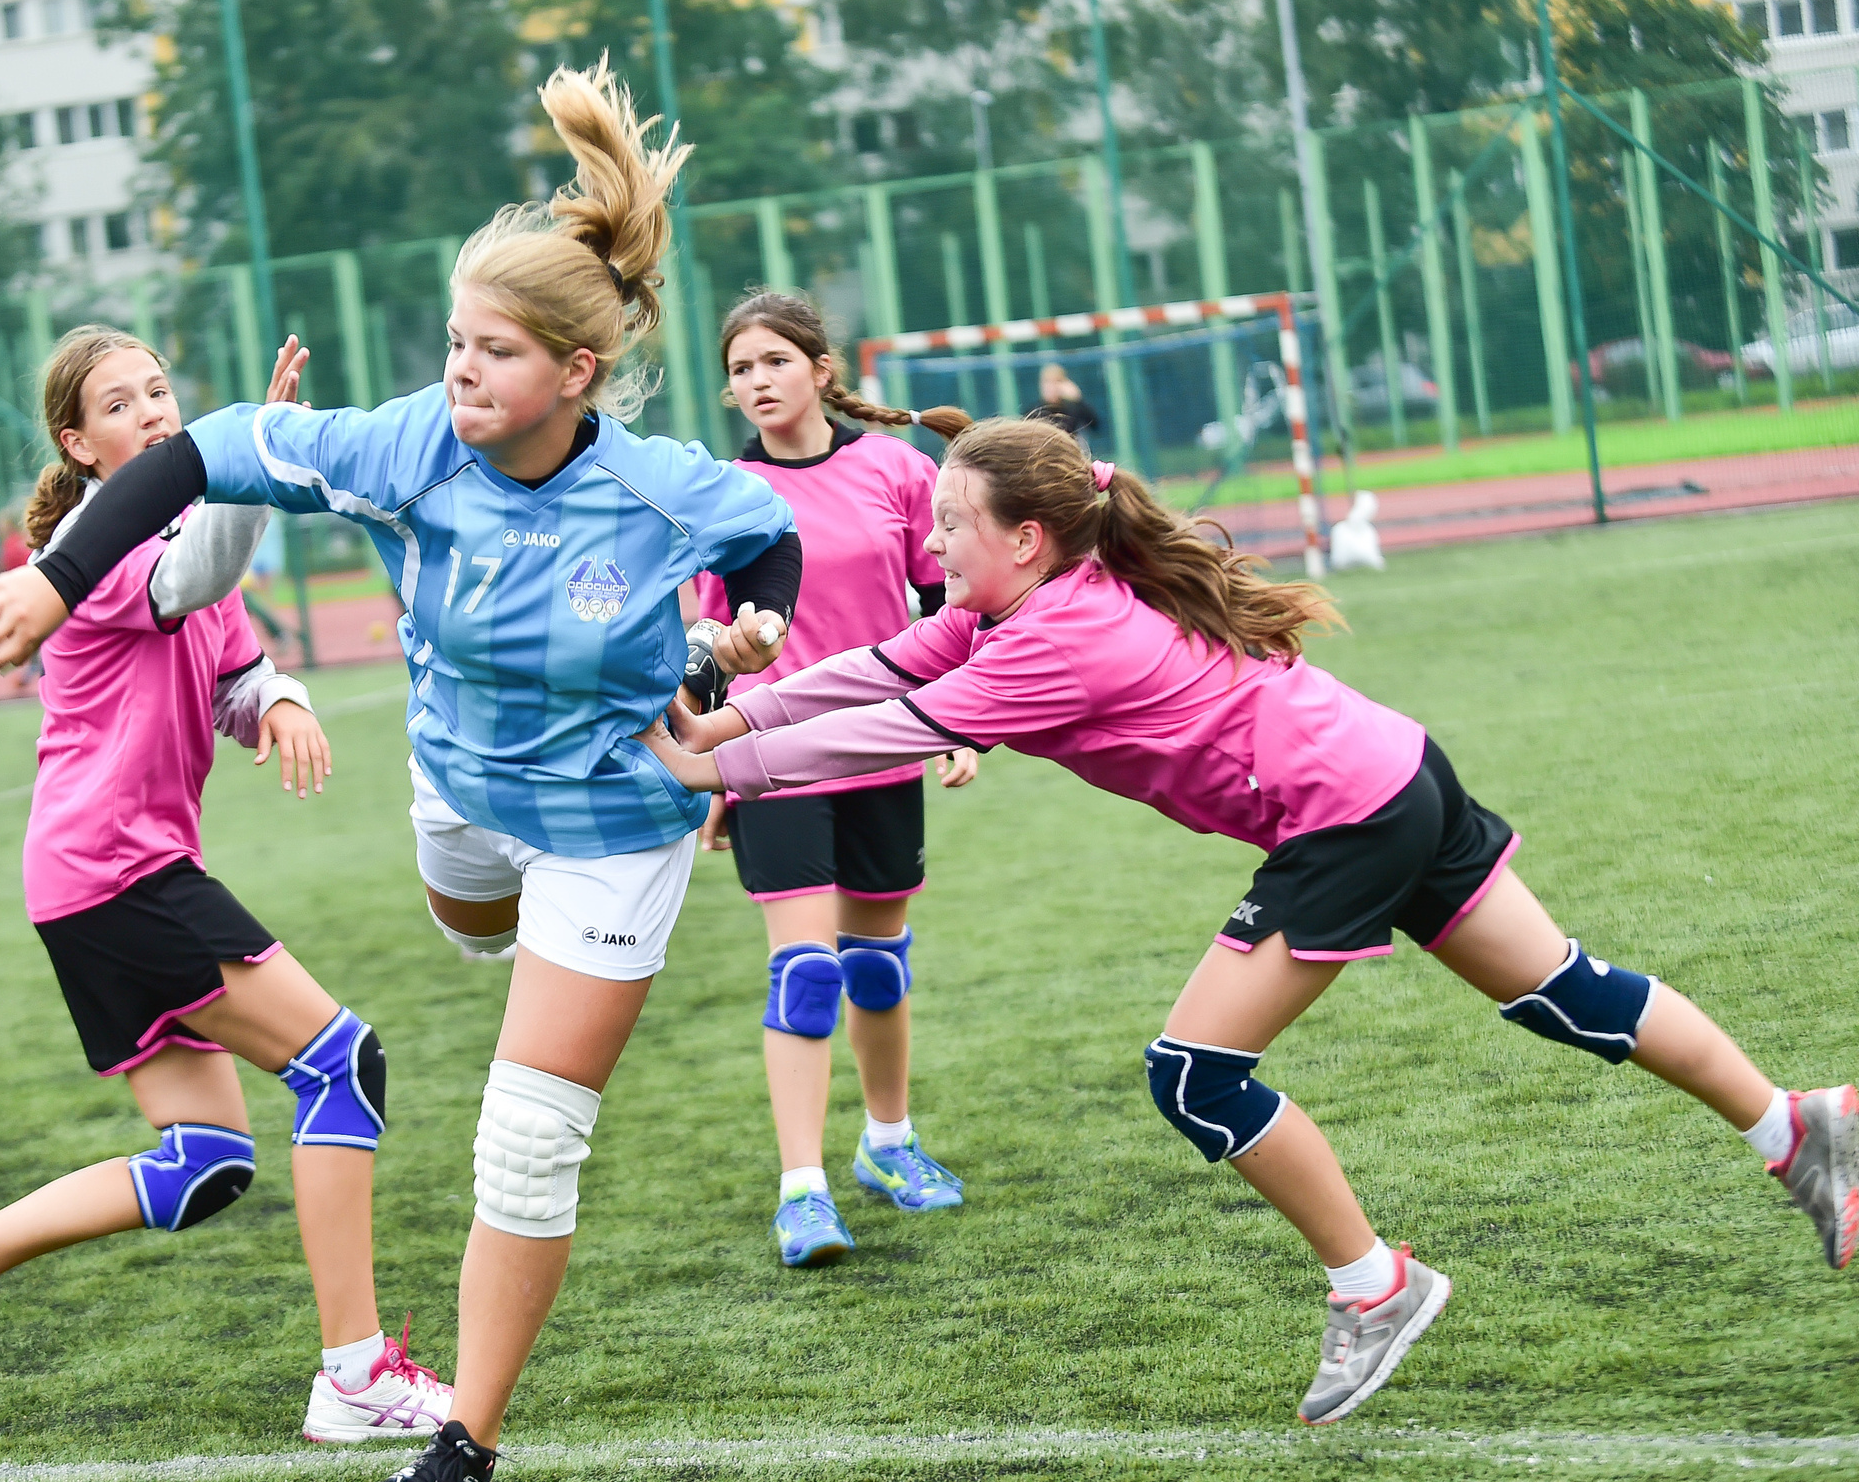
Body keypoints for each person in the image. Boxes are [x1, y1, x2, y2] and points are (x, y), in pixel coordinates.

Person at [0, 60, 802, 1482]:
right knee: (469, 928)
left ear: (575, 375)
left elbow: (769, 536)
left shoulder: (662, 486)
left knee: (526, 1139)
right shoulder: (408, 444)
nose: (459, 372)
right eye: (455, 341)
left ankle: (459, 1448)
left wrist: (747, 640)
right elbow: (200, 452)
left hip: (611, 819)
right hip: (457, 796)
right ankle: (500, 926)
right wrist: (56, 577)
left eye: (494, 354)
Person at [645, 418, 1859, 1427]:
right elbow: (877, 670)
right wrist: (731, 721)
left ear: (1023, 537)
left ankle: (1373, 1286)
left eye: (949, 523)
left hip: (1346, 812)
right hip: (1392, 767)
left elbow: (893, 732)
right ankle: (1797, 1125)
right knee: (1566, 992)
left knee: (1194, 1075)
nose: (930, 541)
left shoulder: (1056, 638)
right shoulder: (1017, 604)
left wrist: (713, 768)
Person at [0, 326, 453, 1445]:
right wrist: (258, 451)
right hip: (114, 873)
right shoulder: (90, 545)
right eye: (120, 405)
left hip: (98, 881)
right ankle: (356, 1375)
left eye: (161, 392)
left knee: (203, 1165)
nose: (153, 413)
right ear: (78, 445)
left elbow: (233, 671)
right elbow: (197, 577)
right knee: (343, 1067)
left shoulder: (173, 529)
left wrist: (283, 703)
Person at [693, 291, 981, 1270]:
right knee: (806, 973)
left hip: (881, 743)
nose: (756, 381)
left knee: (876, 967)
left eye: (775, 360)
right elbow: (704, 644)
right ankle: (802, 1191)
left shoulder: (898, 470)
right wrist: (710, 768)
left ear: (821, 370)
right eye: (740, 369)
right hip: (770, 755)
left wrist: (957, 722)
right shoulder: (724, 493)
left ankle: (888, 1143)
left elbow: (949, 606)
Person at [1028, 363, 1099, 445]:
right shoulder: (1035, 410)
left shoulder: (1073, 407)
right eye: (1047, 382)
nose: (1051, 387)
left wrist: (1078, 399)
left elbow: (1094, 426)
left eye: (1056, 381)